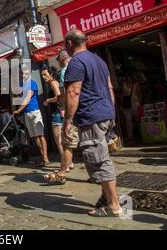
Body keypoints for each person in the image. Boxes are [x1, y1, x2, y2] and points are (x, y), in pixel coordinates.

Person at [63, 29, 122, 217]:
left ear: (70, 44)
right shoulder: (99, 60)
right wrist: (110, 111)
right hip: (105, 113)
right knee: (100, 154)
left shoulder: (76, 62)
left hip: (91, 116)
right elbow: (110, 87)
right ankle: (106, 198)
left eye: (65, 44)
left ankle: (114, 205)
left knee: (98, 159)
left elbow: (73, 92)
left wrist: (68, 121)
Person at [41, 50, 79, 184]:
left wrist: (47, 101)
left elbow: (59, 96)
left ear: (51, 74)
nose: (44, 77)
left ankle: (65, 166)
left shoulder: (54, 82)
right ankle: (69, 163)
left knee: (59, 141)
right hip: (61, 112)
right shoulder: (56, 80)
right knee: (63, 141)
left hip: (58, 113)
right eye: (43, 75)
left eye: (45, 75)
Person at [14, 66, 50, 167]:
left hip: (34, 111)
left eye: (26, 74)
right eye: (22, 74)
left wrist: (18, 110)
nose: (24, 75)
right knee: (35, 137)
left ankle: (46, 157)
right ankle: (43, 157)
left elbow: (27, 99)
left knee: (40, 135)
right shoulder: (22, 84)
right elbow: (19, 97)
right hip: (27, 113)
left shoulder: (32, 83)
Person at [121, 74, 142, 141]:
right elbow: (122, 95)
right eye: (127, 78)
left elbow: (139, 94)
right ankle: (130, 136)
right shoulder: (123, 85)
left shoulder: (136, 84)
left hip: (135, 104)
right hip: (126, 105)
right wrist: (121, 105)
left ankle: (141, 133)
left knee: (138, 119)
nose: (129, 79)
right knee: (128, 121)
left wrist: (140, 103)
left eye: (130, 78)